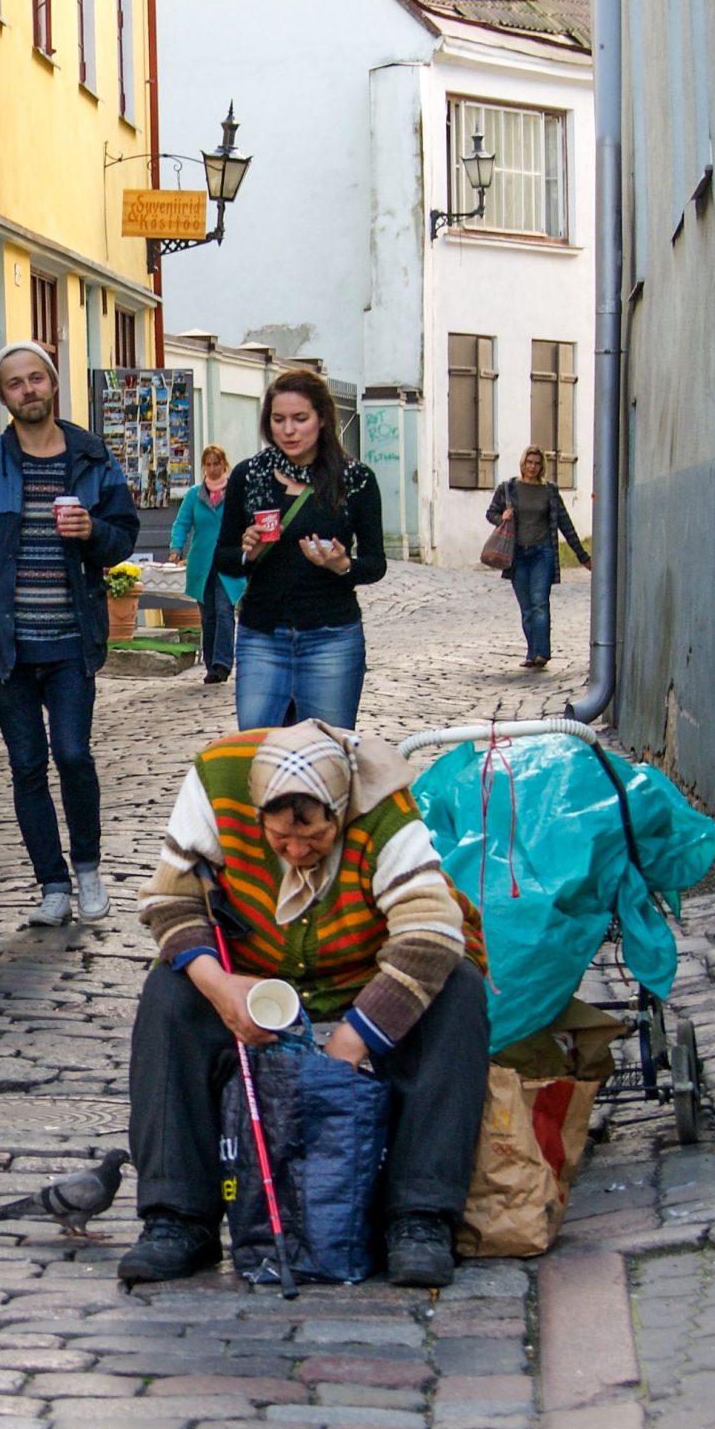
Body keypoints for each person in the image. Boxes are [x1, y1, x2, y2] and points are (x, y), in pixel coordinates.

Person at [118, 721, 491, 1289]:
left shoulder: (383, 809)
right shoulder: (216, 782)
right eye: (280, 837)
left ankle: (420, 1218)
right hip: (250, 968)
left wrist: (353, 1039)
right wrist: (220, 988)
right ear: (257, 811)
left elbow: (430, 934)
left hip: (364, 965)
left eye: (313, 836)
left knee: (457, 990)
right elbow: (171, 898)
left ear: (339, 812)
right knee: (169, 995)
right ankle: (178, 1217)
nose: (295, 850)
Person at [0, 341, 143, 928]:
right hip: (8, 649)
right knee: (26, 764)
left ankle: (87, 867)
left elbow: (123, 536)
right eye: (14, 384)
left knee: (73, 754)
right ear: (3, 397)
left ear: (53, 385)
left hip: (71, 641)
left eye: (36, 379)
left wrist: (92, 531)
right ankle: (51, 885)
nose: (27, 391)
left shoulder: (92, 457)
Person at [215, 369, 388, 731]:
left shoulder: (355, 481)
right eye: (278, 420)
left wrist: (342, 565)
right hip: (262, 636)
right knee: (258, 756)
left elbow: (375, 564)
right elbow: (224, 559)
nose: (288, 430)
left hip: (331, 638)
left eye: (300, 418)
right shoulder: (249, 476)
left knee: (326, 758)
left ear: (322, 419)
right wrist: (249, 552)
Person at [486, 447, 591, 670]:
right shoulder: (509, 488)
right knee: (526, 607)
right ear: (522, 464)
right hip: (518, 555)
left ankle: (542, 653)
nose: (532, 467)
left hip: (542, 552)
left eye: (536, 463)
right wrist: (501, 518)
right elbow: (491, 513)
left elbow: (565, 523)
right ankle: (531, 652)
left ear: (542, 466)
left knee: (540, 603)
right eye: (529, 462)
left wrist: (582, 555)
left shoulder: (549, 491)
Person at [167, 446, 246, 685]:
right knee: (208, 616)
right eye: (208, 464)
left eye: (216, 464)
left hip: (227, 560)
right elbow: (182, 523)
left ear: (224, 464)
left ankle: (222, 664)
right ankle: (211, 664)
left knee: (224, 611)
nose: (212, 469)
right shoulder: (194, 495)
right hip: (202, 563)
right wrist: (175, 548)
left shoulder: (235, 492)